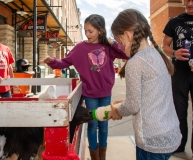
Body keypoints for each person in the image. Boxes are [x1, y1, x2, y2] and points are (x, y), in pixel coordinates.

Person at [41, 14, 128, 160]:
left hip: (106, 93)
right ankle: (95, 157)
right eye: (85, 30)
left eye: (90, 31)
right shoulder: (80, 47)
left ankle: (103, 157)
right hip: (90, 94)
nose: (87, 34)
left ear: (100, 30)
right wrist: (52, 61)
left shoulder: (107, 47)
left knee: (104, 126)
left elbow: (125, 52)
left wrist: (110, 41)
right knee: (93, 125)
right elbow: (64, 62)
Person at [109, 8, 182, 160]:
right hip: (169, 133)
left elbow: (133, 105)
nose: (121, 46)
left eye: (120, 41)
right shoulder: (157, 55)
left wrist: (117, 111)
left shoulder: (136, 62)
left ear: (128, 34)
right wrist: (124, 101)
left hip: (151, 140)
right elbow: (152, 92)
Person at [162, 0, 193, 159]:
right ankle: (178, 144)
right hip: (180, 73)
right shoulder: (174, 21)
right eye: (187, 0)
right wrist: (174, 53)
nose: (190, 3)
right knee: (178, 112)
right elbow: (165, 46)